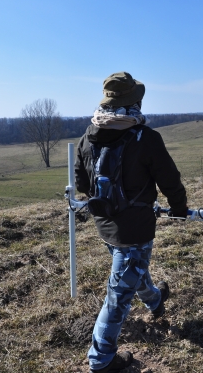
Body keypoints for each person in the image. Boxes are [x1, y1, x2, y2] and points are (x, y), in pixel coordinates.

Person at [75, 72, 187, 373]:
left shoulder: (88, 136)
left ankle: (155, 300)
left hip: (104, 224)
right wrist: (179, 207)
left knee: (132, 270)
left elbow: (81, 182)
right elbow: (169, 178)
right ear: (133, 102)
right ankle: (101, 360)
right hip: (135, 229)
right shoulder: (145, 138)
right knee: (118, 296)